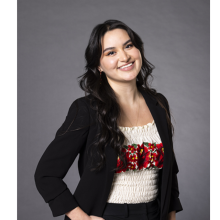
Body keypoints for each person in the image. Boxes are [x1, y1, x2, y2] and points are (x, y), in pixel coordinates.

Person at [34, 19, 183, 220]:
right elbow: (46, 175)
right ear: (99, 65)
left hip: (155, 214)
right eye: (111, 52)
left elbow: (169, 173)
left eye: (128, 46)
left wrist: (170, 216)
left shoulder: (159, 103)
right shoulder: (86, 109)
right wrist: (82, 218)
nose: (125, 56)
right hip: (109, 214)